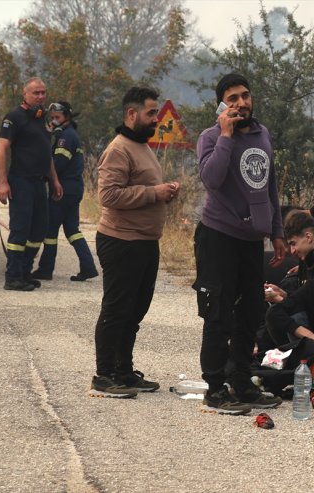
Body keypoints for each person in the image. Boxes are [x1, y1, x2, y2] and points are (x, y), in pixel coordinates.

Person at [195, 73, 285, 415]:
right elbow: (212, 178)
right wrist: (227, 136)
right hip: (218, 236)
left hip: (252, 239)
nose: (242, 103)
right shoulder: (211, 137)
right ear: (222, 105)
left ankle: (242, 381)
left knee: (251, 312)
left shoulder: (263, 135)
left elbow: (269, 187)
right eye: (233, 98)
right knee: (218, 313)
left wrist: (276, 232)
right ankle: (215, 388)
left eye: (245, 96)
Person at [89, 87, 180, 398]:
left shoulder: (142, 146)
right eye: (151, 113)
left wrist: (166, 189)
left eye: (156, 112)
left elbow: (140, 186)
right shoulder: (119, 149)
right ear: (132, 114)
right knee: (117, 309)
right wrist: (154, 193)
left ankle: (124, 371)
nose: (156, 119)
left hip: (144, 242)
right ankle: (104, 375)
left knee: (135, 310)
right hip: (121, 241)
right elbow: (108, 196)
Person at [0, 77, 63, 291]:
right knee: (20, 230)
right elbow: (2, 149)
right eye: (36, 93)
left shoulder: (42, 119)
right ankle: (12, 277)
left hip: (39, 183)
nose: (41, 96)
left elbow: (46, 153)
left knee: (38, 231)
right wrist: (3, 182)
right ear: (24, 94)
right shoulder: (14, 118)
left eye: (43, 93)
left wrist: (54, 180)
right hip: (20, 182)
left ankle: (25, 272)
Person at [32, 101, 99, 282]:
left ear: (67, 118)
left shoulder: (65, 138)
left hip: (63, 190)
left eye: (57, 118)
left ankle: (45, 269)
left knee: (50, 231)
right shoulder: (71, 135)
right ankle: (88, 267)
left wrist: (45, 178)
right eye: (52, 117)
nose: (54, 121)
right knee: (72, 230)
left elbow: (59, 163)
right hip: (74, 189)